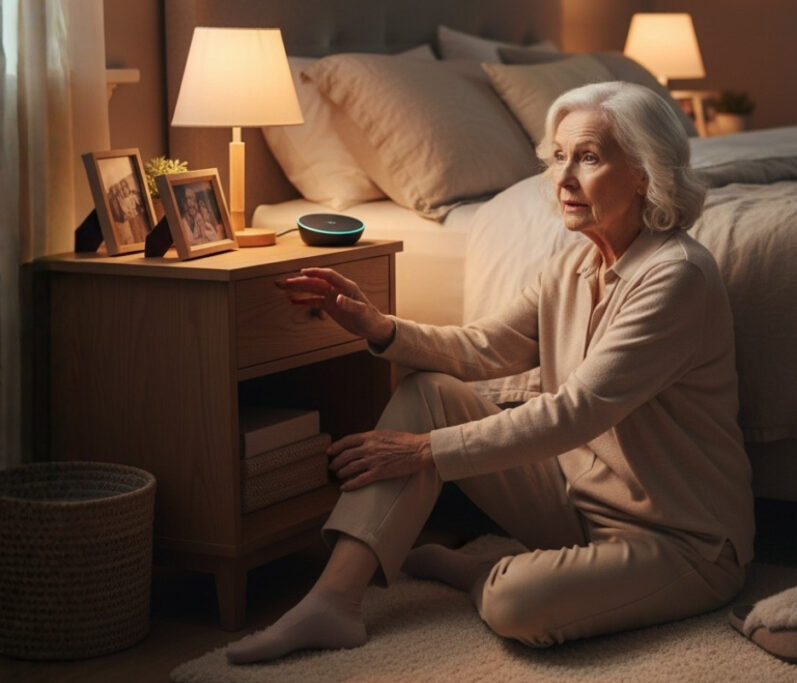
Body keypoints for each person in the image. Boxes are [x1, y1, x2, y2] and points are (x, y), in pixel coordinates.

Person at [226, 81, 754, 664]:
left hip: (681, 542)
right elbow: (486, 346)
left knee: (512, 603)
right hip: (578, 504)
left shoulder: (677, 276)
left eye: (589, 157)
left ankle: (478, 571)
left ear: (645, 173)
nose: (564, 178)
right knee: (428, 391)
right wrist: (379, 327)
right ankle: (333, 600)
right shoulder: (576, 262)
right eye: (558, 157)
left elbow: (574, 413)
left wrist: (424, 452)